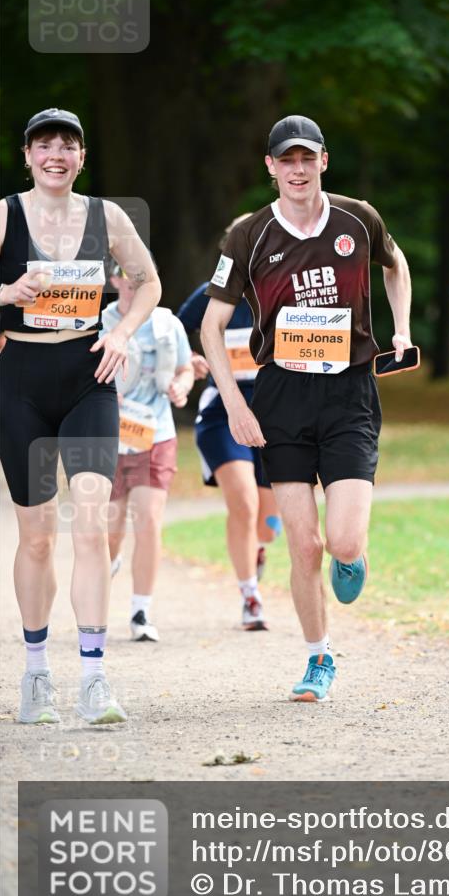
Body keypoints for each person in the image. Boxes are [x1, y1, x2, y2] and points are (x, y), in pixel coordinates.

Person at [200, 114, 412, 701]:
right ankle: (319, 659)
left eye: (307, 158)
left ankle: (352, 558)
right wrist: (236, 402)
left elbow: (398, 268)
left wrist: (402, 330)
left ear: (324, 161)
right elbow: (211, 327)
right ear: (270, 167)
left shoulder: (357, 218)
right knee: (302, 545)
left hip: (348, 393)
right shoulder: (247, 235)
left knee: (342, 542)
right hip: (280, 397)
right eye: (285, 160)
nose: (297, 169)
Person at [0, 108, 161, 724]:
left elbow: (149, 282)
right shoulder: (5, 215)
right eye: (45, 145)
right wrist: (8, 294)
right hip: (19, 387)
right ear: (28, 155)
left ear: (82, 156)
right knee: (37, 537)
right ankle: (36, 674)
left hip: (89, 381)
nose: (56, 154)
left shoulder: (107, 216)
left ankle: (95, 678)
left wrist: (121, 329)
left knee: (90, 525)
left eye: (68, 145)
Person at [177, 234, 281, 632]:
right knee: (244, 503)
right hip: (222, 413)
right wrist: (188, 358)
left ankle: (257, 550)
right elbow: (172, 327)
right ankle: (250, 596)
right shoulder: (211, 294)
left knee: (269, 521)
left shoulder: (284, 292)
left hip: (275, 417)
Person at [105, 266, 194, 642]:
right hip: (107, 437)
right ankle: (109, 565)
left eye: (144, 273)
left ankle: (141, 611)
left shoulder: (166, 323)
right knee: (109, 529)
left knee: (148, 521)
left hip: (155, 433)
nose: (135, 280)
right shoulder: (98, 321)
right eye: (128, 273)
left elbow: (186, 369)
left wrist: (181, 388)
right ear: (114, 281)